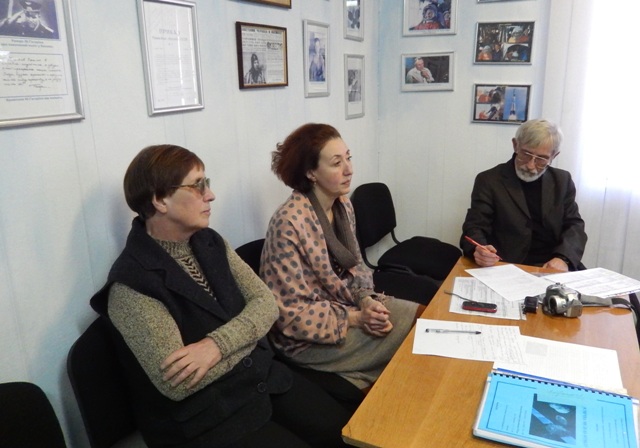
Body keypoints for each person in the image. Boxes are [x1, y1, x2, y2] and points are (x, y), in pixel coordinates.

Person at [90, 145, 350, 448]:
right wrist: (250, 333)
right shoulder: (130, 285)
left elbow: (266, 305)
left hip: (260, 380)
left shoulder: (209, 241)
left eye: (206, 183)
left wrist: (216, 346)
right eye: (196, 186)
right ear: (159, 200)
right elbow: (180, 382)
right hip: (209, 419)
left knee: (344, 431)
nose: (210, 195)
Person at [260, 123, 420, 390]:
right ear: (311, 172)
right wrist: (356, 318)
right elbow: (289, 315)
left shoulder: (343, 204)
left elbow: (355, 269)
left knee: (423, 319)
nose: (349, 169)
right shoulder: (288, 222)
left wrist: (367, 301)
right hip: (307, 338)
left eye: (348, 158)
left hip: (347, 306)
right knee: (413, 344)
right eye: (337, 163)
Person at [460, 119, 587, 271]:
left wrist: (563, 258)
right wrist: (479, 250)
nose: (530, 166)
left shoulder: (562, 180)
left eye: (541, 159)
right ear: (515, 145)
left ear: (554, 156)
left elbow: (574, 225)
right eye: (526, 154)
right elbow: (475, 227)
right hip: (506, 265)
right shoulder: (489, 180)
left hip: (553, 264)